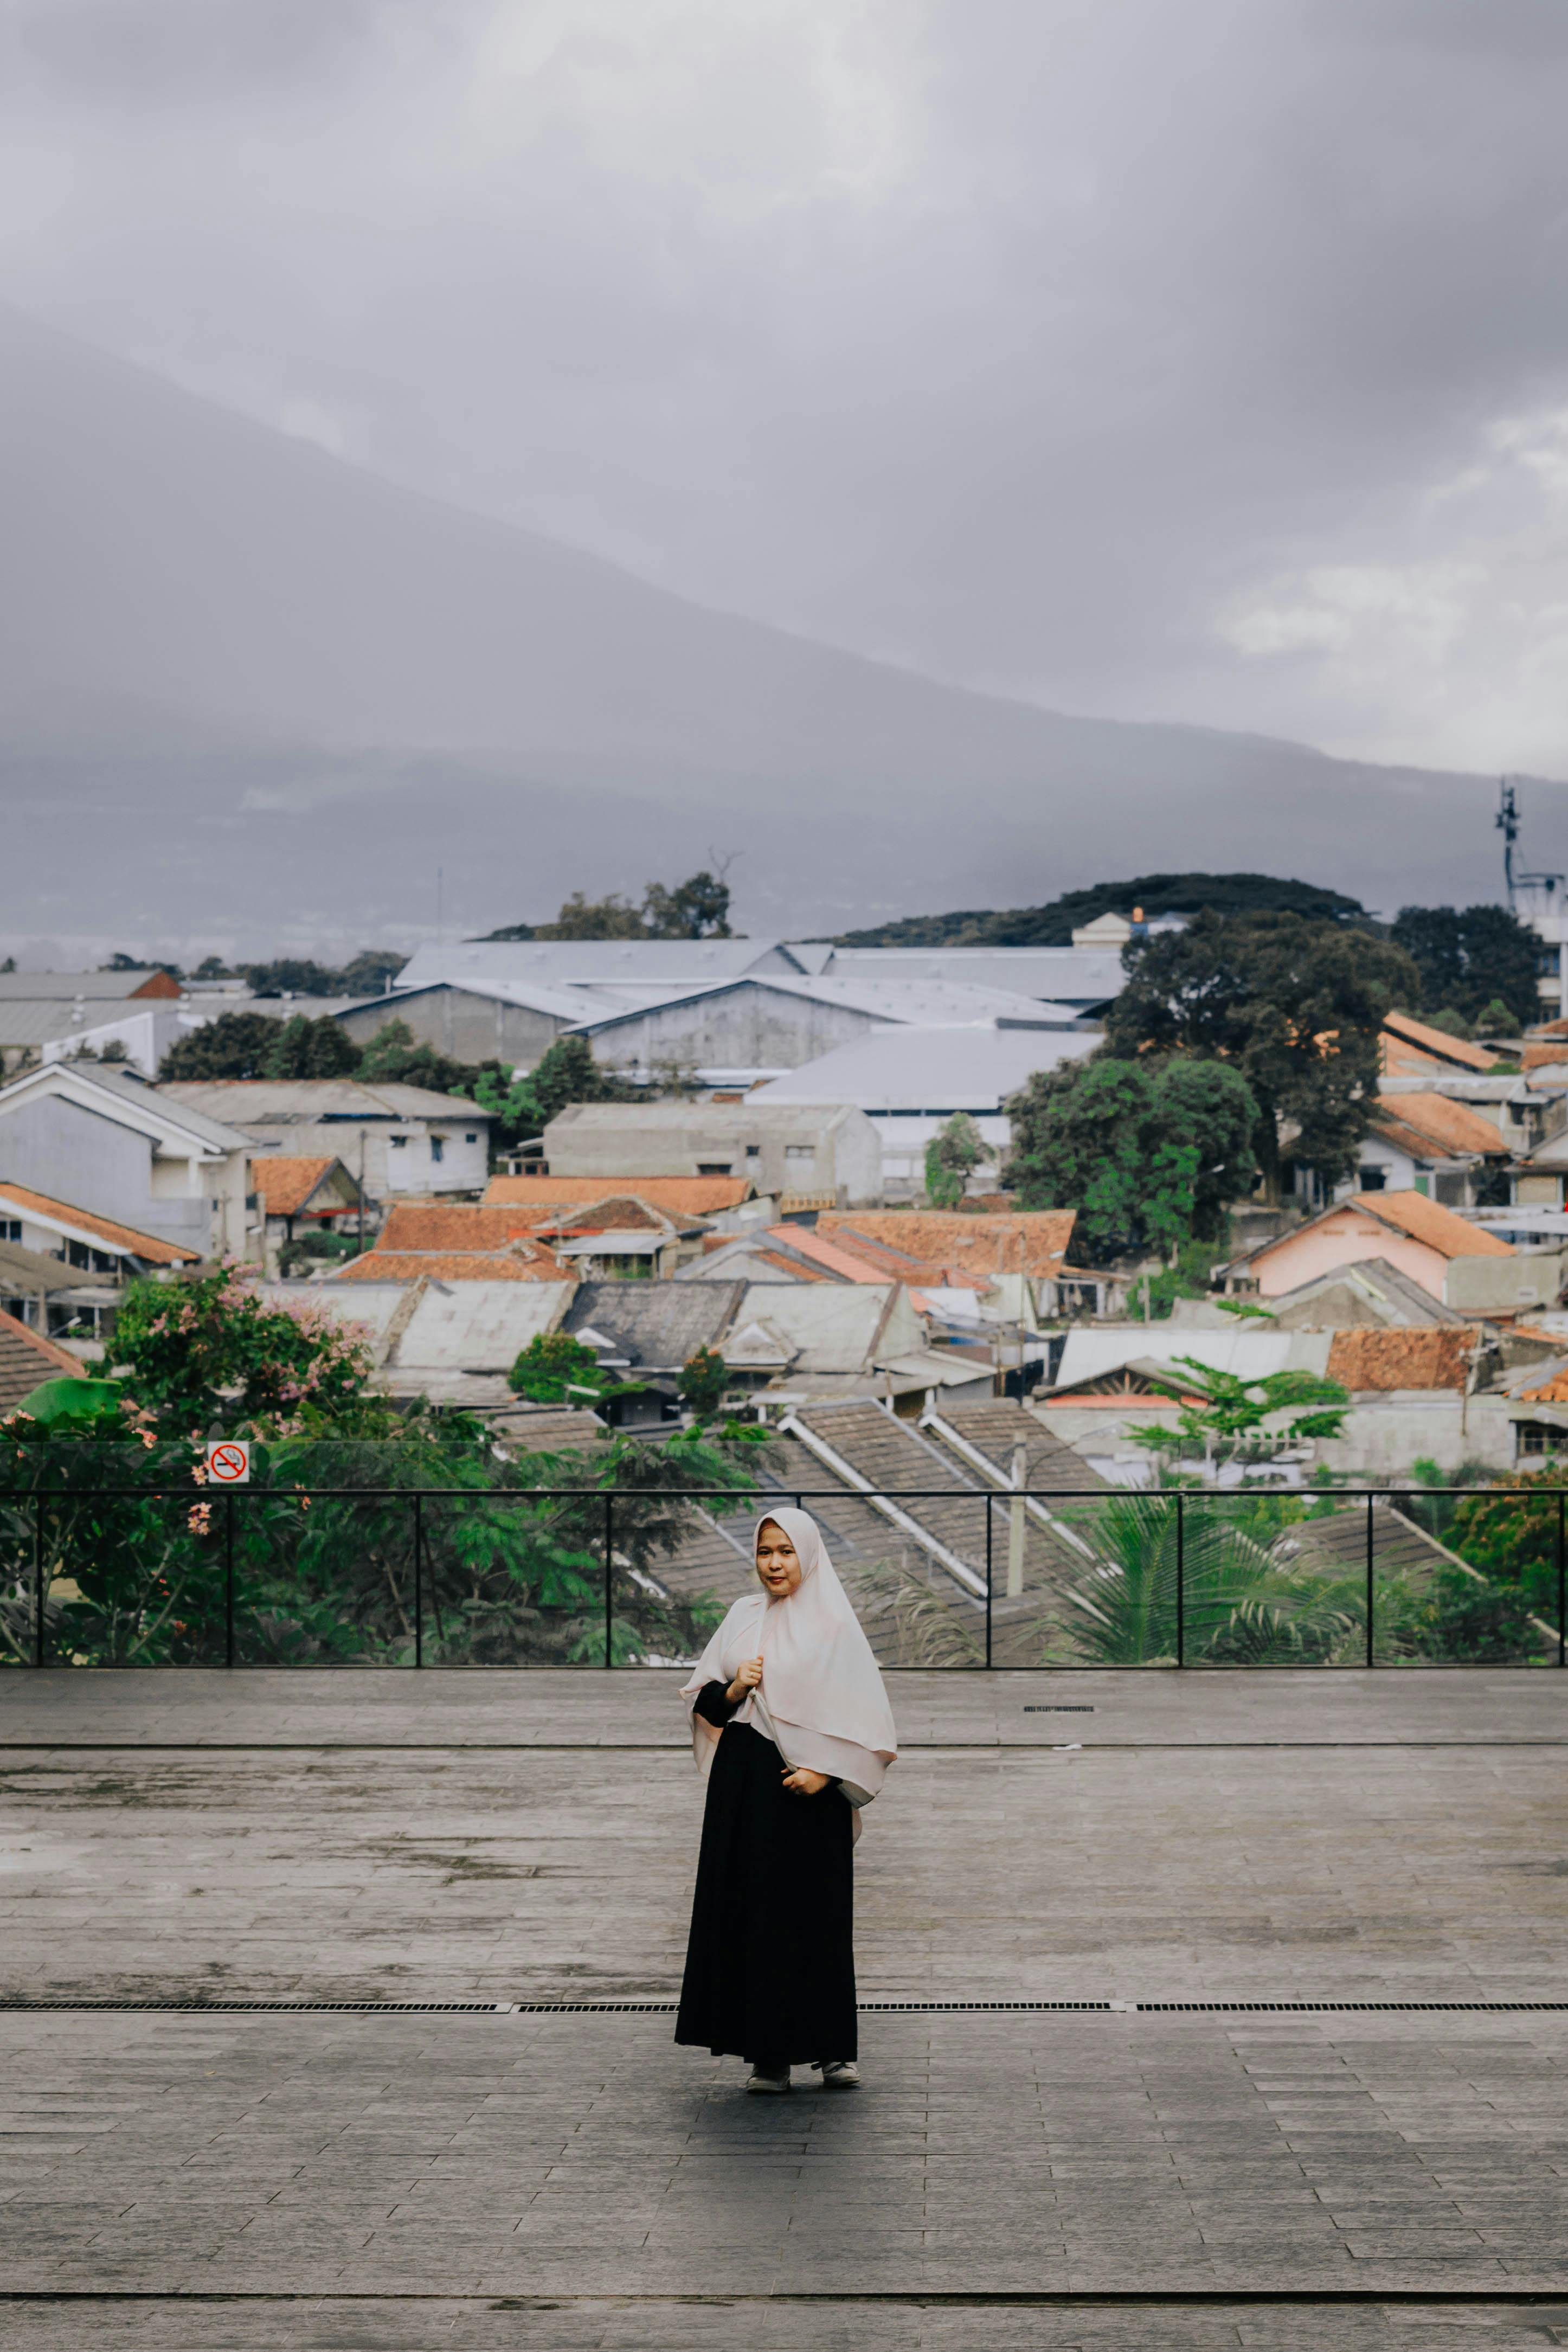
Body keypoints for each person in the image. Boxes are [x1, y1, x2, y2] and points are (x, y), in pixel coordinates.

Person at [674, 1507, 898, 2094]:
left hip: (811, 1798)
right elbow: (706, 1705)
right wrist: (735, 1687)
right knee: (752, 1915)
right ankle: (768, 2057)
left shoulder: (834, 1626)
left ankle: (832, 2051)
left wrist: (824, 1774)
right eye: (764, 1551)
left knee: (817, 1919)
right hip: (745, 1788)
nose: (774, 1563)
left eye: (786, 1551)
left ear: (808, 1555)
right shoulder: (742, 1617)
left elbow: (864, 1719)